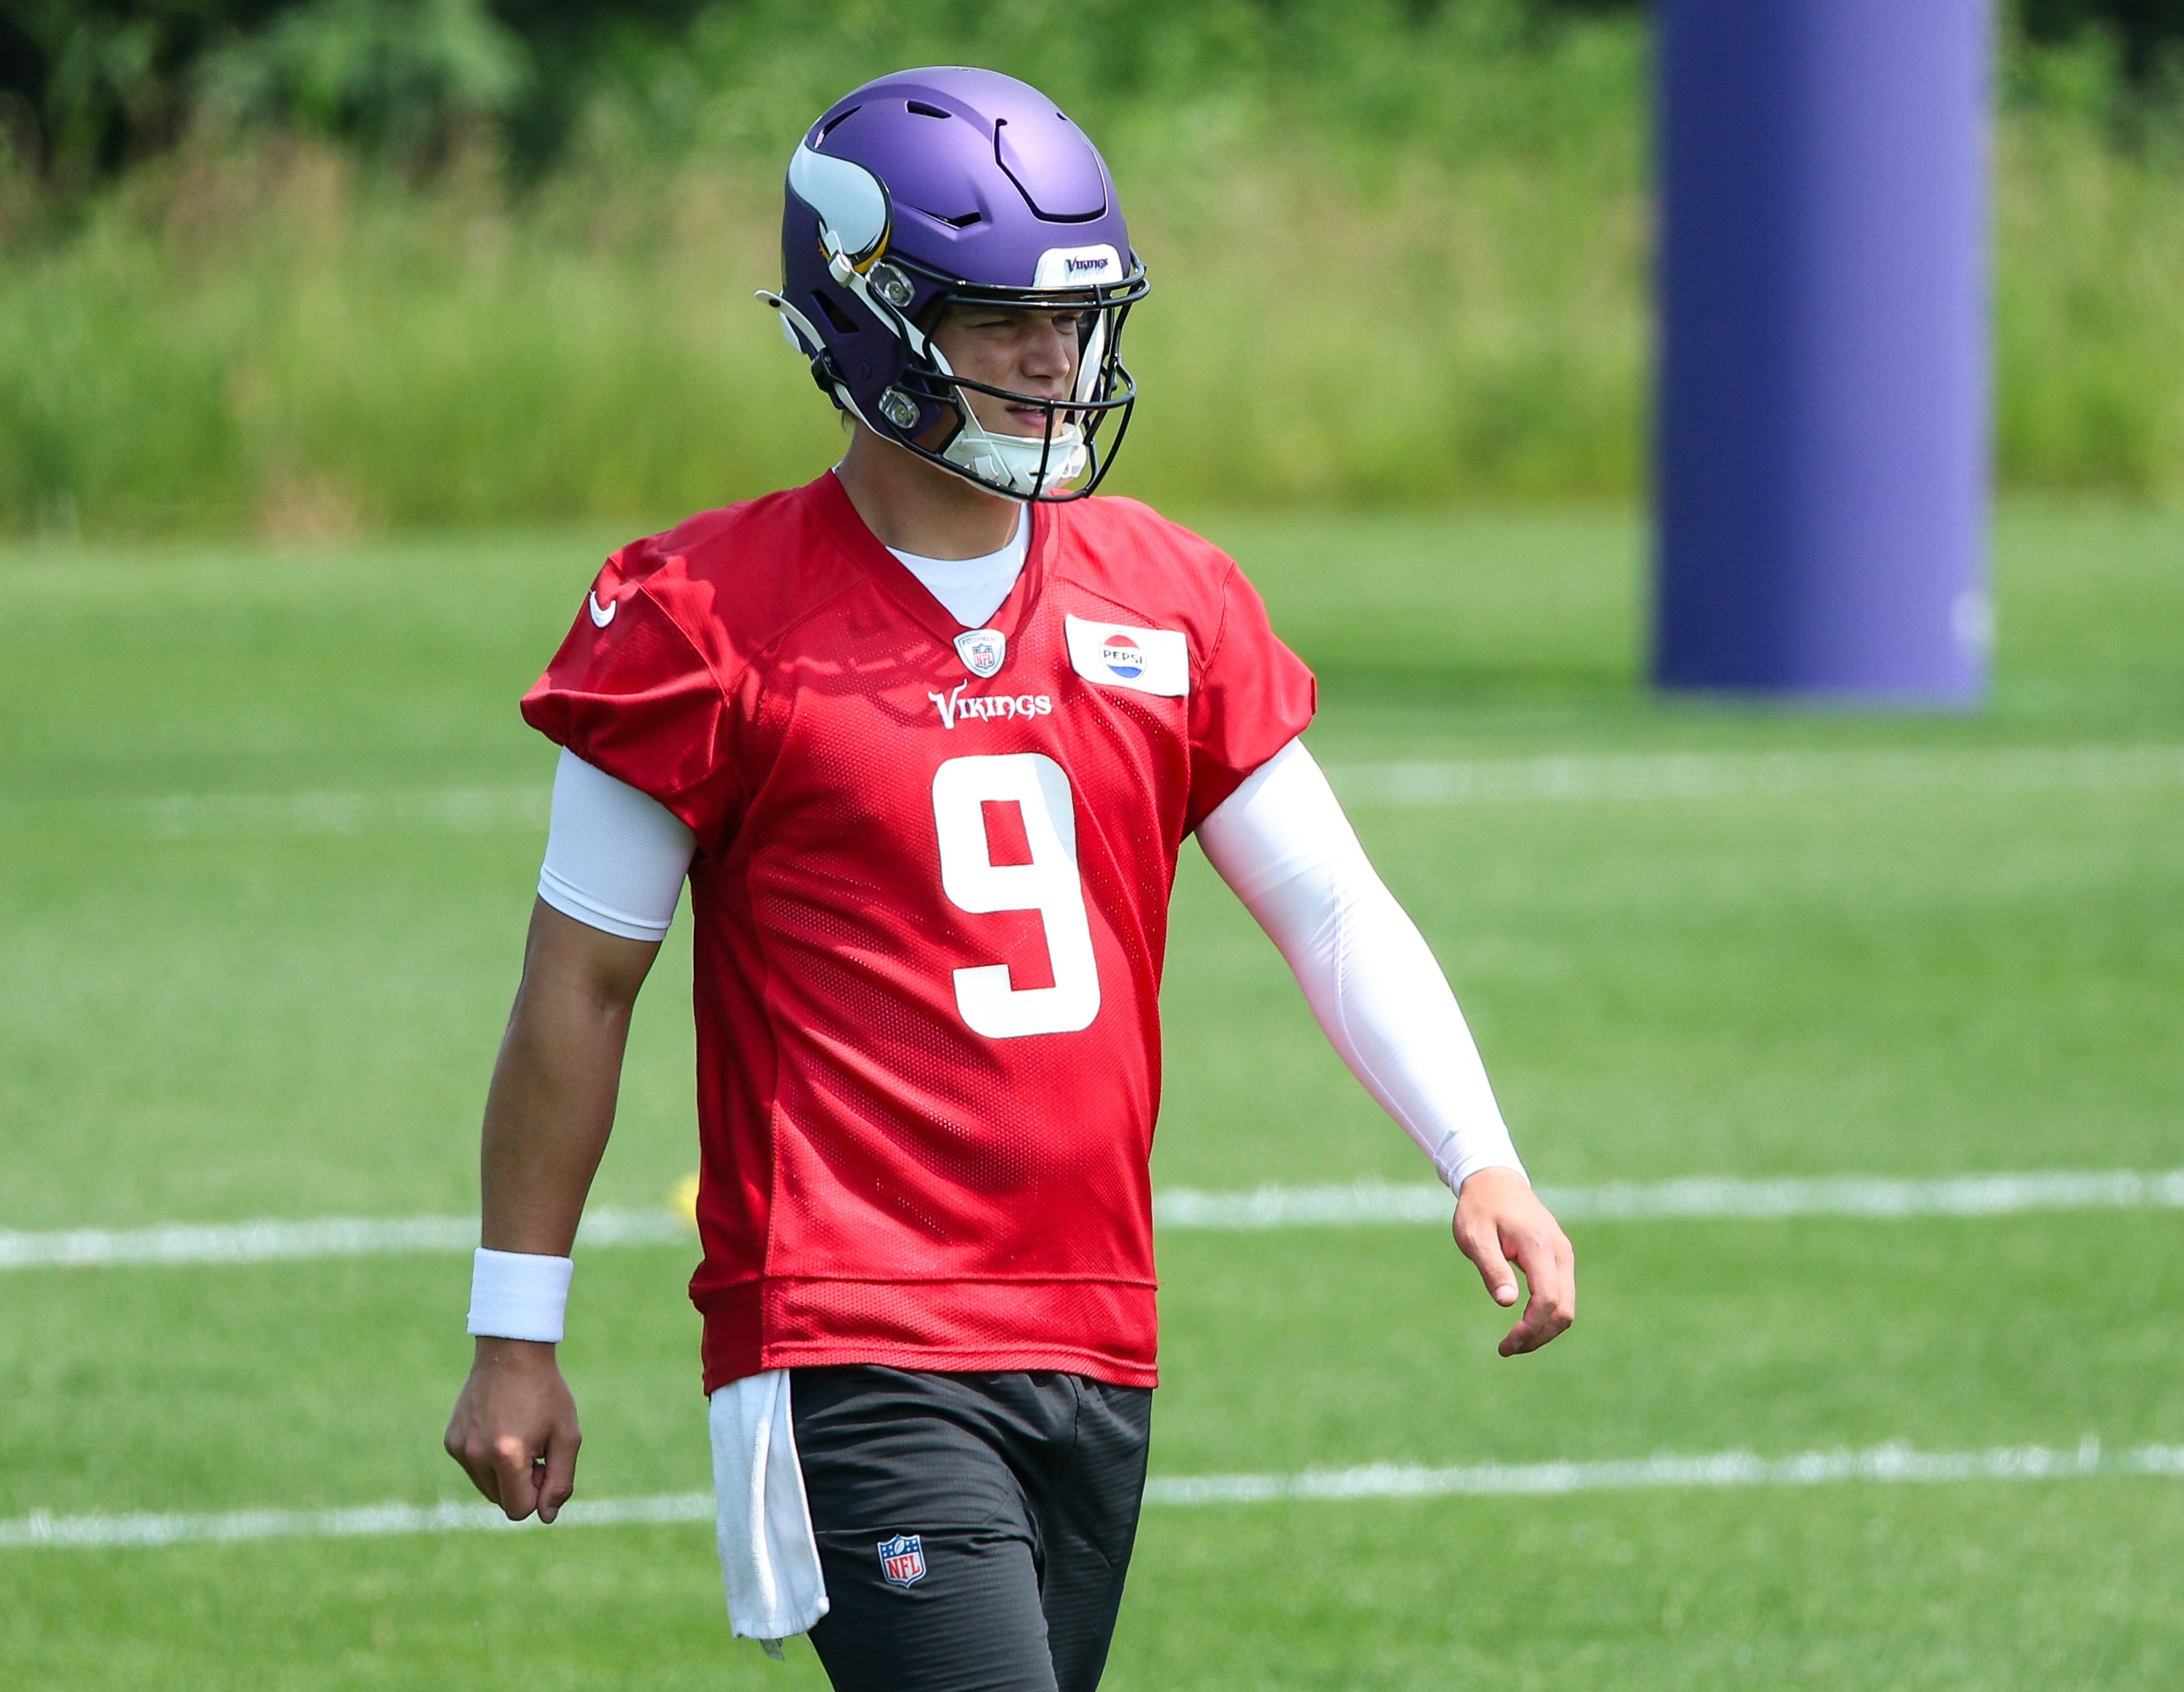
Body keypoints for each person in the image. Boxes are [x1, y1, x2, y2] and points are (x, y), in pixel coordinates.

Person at [443, 65, 1575, 1692]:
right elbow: (583, 983)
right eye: (1003, 322)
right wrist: (515, 1329)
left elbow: (1329, 904)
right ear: (868, 321)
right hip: (849, 1329)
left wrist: (1480, 1151)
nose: (1058, 363)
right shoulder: (699, 615)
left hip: (1094, 1327)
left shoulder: (1166, 594)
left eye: (1076, 321)